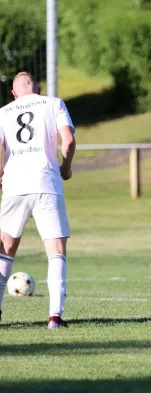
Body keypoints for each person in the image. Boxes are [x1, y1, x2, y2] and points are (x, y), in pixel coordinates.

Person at [0, 72, 76, 328]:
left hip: (14, 186)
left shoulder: (4, 111)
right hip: (46, 182)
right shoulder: (53, 103)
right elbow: (69, 140)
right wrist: (65, 167)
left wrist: (1, 174)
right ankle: (55, 317)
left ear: (14, 93)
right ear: (39, 89)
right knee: (56, 251)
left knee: (5, 250)